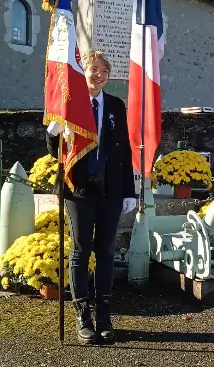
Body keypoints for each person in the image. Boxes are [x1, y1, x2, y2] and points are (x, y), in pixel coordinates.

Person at [46, 51, 137, 344]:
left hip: (110, 188)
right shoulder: (69, 105)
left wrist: (129, 191)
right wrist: (53, 131)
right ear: (82, 71)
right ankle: (82, 316)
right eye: (93, 69)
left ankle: (105, 315)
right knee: (81, 249)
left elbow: (124, 151)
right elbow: (54, 151)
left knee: (107, 250)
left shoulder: (114, 105)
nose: (98, 75)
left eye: (104, 71)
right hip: (79, 188)